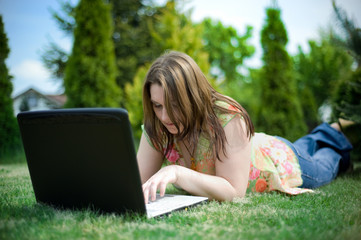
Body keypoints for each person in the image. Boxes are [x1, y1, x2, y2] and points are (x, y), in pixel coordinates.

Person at [137, 51, 353, 204]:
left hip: (279, 160)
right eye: (157, 105)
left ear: (192, 96)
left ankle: (338, 133)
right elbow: (136, 181)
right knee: (308, 143)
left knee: (325, 164)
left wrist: (175, 171)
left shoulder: (226, 116)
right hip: (256, 146)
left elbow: (233, 191)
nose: (165, 116)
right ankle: (327, 131)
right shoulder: (158, 125)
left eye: (174, 105)